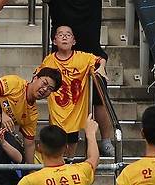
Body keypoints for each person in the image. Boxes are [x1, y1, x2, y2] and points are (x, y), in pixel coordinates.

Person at [49, 0, 115, 157]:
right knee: (60, 96)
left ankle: (105, 140)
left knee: (99, 92)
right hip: (62, 52)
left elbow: (100, 60)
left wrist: (102, 66)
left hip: (90, 49)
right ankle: (60, 140)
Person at [0, 68, 62, 163]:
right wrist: (2, 114)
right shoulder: (16, 83)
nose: (45, 89)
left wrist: (30, 170)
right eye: (44, 83)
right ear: (35, 78)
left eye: (50, 89)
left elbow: (29, 144)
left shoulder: (32, 114)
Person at [38, 25, 109, 158]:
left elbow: (100, 59)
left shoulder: (82, 57)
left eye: (68, 34)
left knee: (72, 137)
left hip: (75, 106)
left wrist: (102, 68)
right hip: (57, 108)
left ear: (74, 41)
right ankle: (57, 161)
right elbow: (39, 77)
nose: (64, 36)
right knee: (57, 138)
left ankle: (70, 160)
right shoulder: (49, 60)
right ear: (54, 41)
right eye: (60, 34)